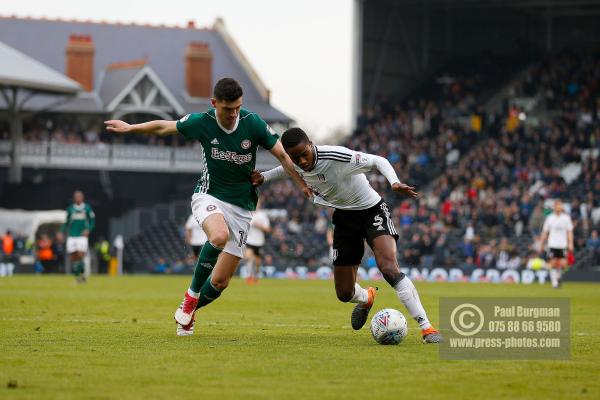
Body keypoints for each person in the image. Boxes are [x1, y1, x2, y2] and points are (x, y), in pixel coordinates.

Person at [105, 78, 311, 336]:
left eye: (237, 107)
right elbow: (163, 127)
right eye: (228, 109)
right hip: (209, 195)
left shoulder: (253, 123)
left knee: (220, 282)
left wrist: (301, 184)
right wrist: (130, 128)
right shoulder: (202, 122)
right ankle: (191, 296)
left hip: (243, 207)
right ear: (214, 104)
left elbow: (282, 154)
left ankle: (188, 313)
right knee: (218, 236)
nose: (233, 114)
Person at [252, 127, 442, 343]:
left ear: (311, 144)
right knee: (344, 293)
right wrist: (264, 177)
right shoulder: (295, 163)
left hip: (372, 211)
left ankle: (427, 328)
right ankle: (367, 297)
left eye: (304, 154)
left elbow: (377, 160)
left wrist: (394, 182)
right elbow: (286, 170)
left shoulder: (335, 155)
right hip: (344, 218)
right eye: (295, 158)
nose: (302, 161)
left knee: (388, 268)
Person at [58, 191, 95, 283]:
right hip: (72, 236)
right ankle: (78, 277)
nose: (78, 198)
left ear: (82, 198)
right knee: (73, 258)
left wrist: (88, 230)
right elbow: (66, 222)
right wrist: (61, 232)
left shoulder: (87, 208)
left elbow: (92, 222)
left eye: (79, 196)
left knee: (80, 254)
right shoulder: (70, 209)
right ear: (74, 198)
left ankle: (83, 275)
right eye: (76, 196)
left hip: (81, 236)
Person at [539, 200, 574, 288]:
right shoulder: (550, 218)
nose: (558, 207)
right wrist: (541, 243)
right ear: (554, 207)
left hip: (563, 244)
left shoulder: (566, 218)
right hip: (552, 244)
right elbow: (545, 232)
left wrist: (570, 243)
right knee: (553, 262)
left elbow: (569, 231)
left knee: (563, 264)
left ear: (562, 207)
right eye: (557, 205)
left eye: (560, 205)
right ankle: (554, 282)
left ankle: (558, 277)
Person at [244, 200, 271, 284]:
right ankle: (249, 276)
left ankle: (255, 276)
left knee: (257, 262)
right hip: (249, 241)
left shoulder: (262, 215)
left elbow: (268, 229)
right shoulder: (247, 213)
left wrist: (259, 225)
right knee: (248, 257)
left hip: (259, 242)